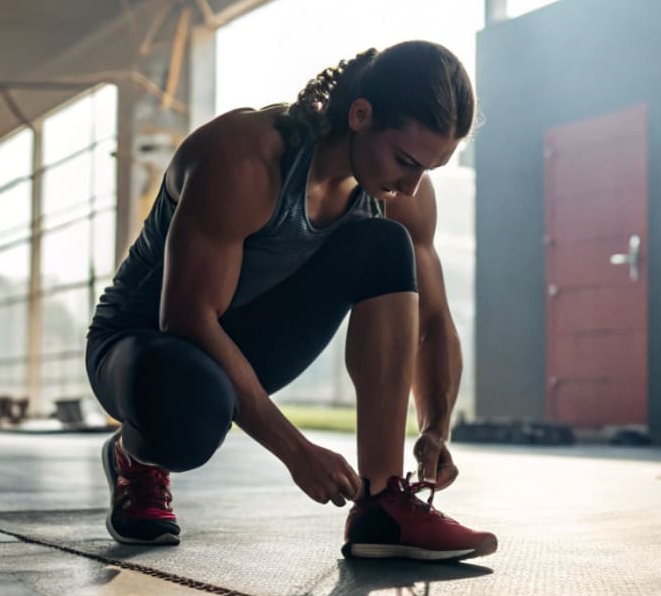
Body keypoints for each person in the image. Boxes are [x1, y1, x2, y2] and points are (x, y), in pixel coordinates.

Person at [85, 39, 497, 561]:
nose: (411, 187)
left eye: (427, 170)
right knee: (189, 413)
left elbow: (432, 322)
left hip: (245, 340)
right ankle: (136, 457)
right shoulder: (246, 156)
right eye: (404, 161)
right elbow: (187, 317)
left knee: (386, 243)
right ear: (361, 115)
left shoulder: (398, 195)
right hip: (143, 346)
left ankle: (381, 503)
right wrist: (297, 452)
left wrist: (436, 429)